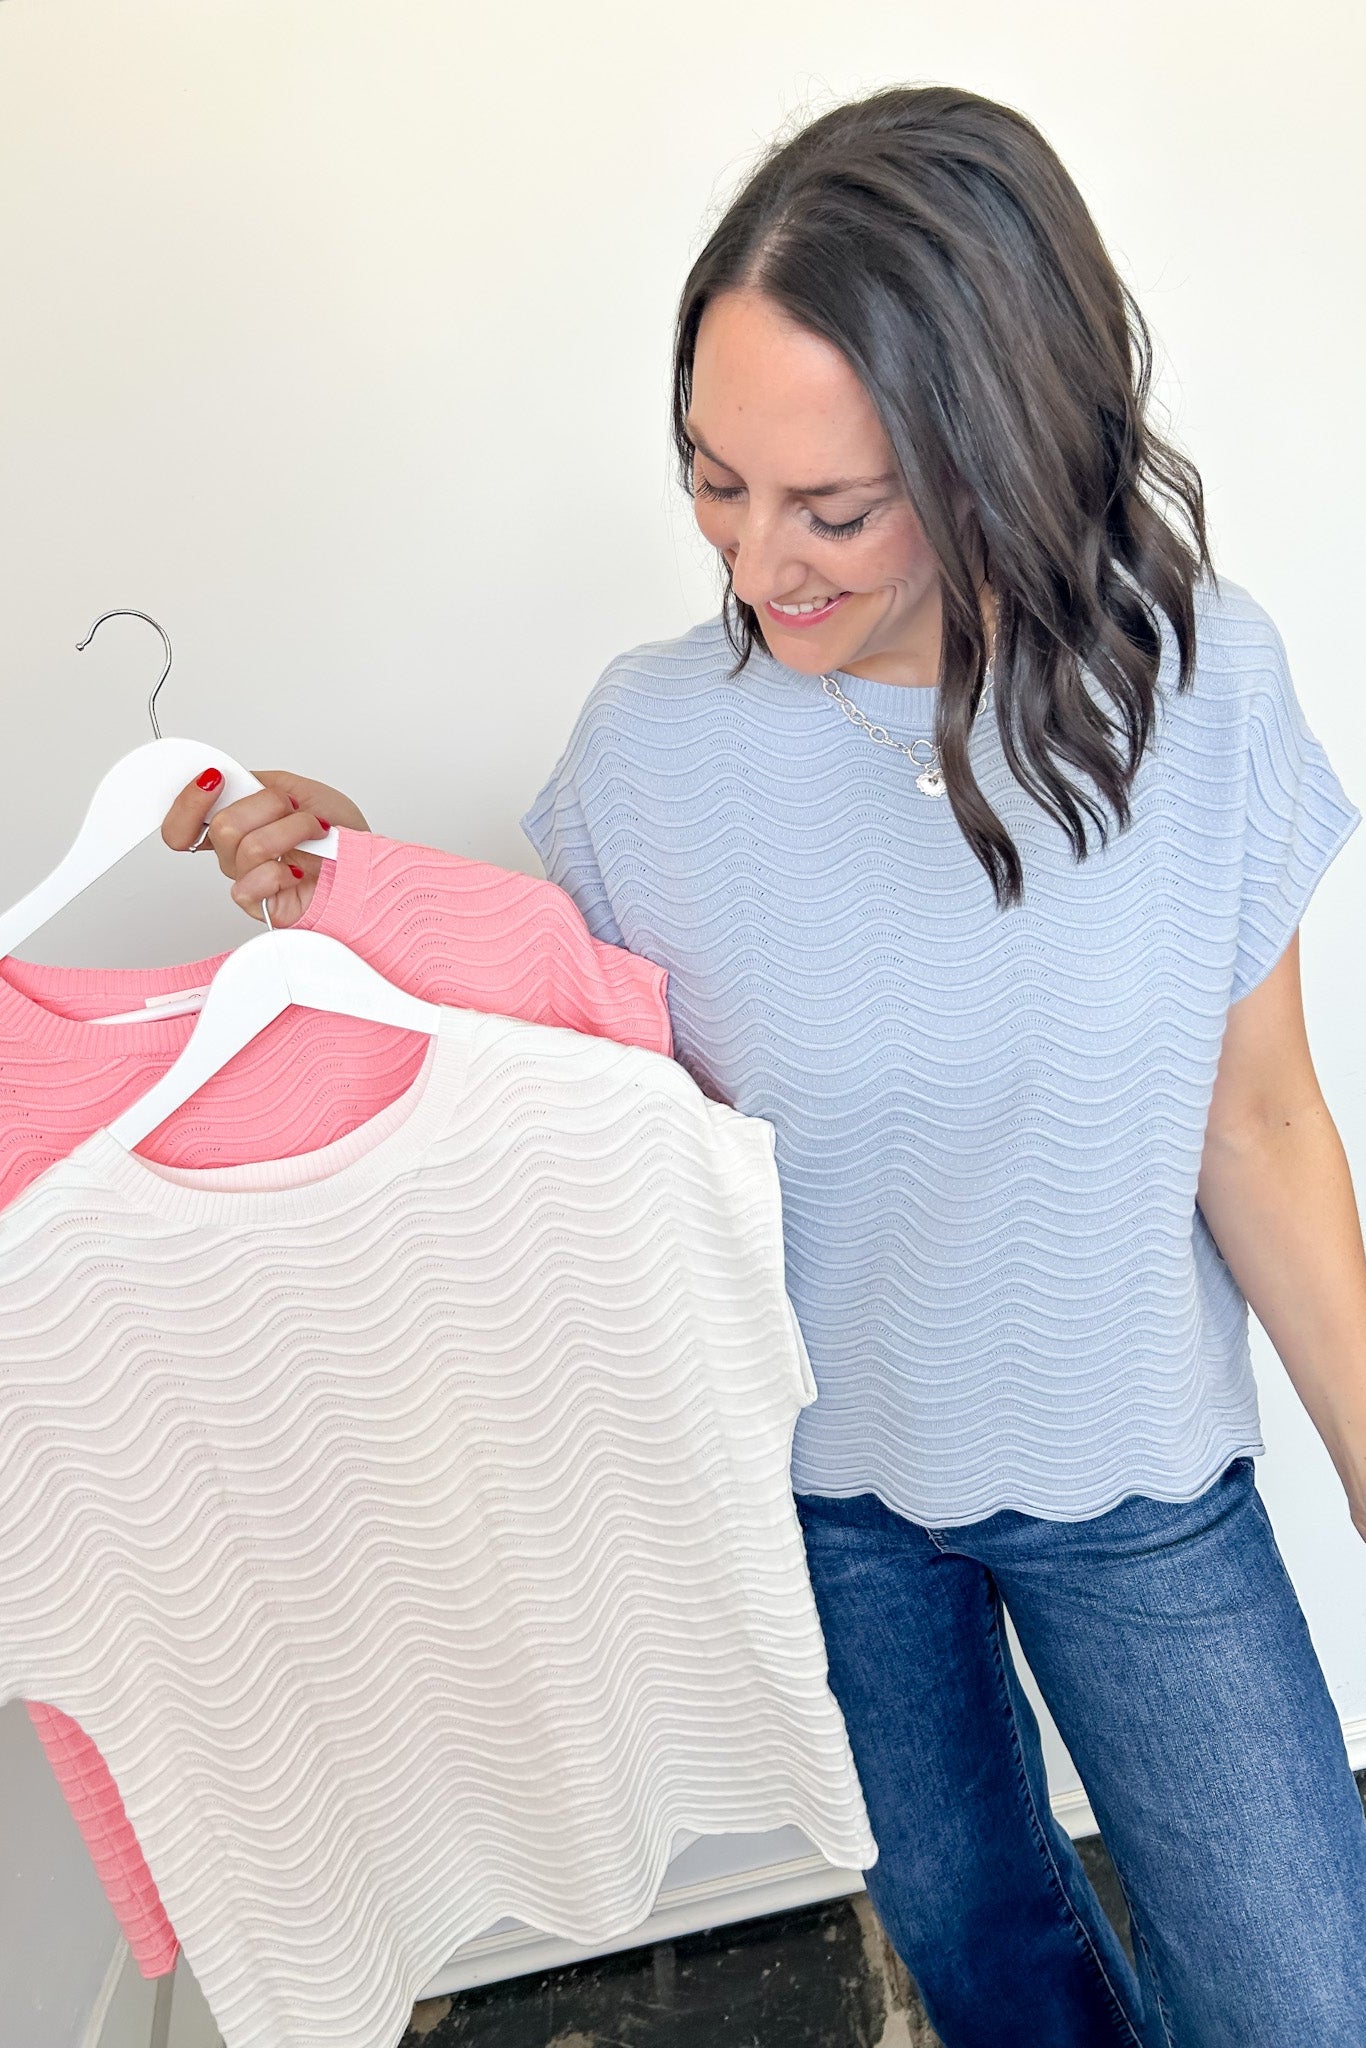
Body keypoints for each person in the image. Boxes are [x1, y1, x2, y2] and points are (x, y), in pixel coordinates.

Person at [161, 87, 1366, 2048]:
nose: (754, 562)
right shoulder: (650, 749)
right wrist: (339, 876)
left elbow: (1256, 1116)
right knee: (986, 1966)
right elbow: (579, 1085)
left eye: (833, 505)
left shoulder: (1195, 686)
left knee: (1298, 2007)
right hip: (815, 1500)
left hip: (1133, 1475)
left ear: (1003, 450)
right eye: (714, 481)